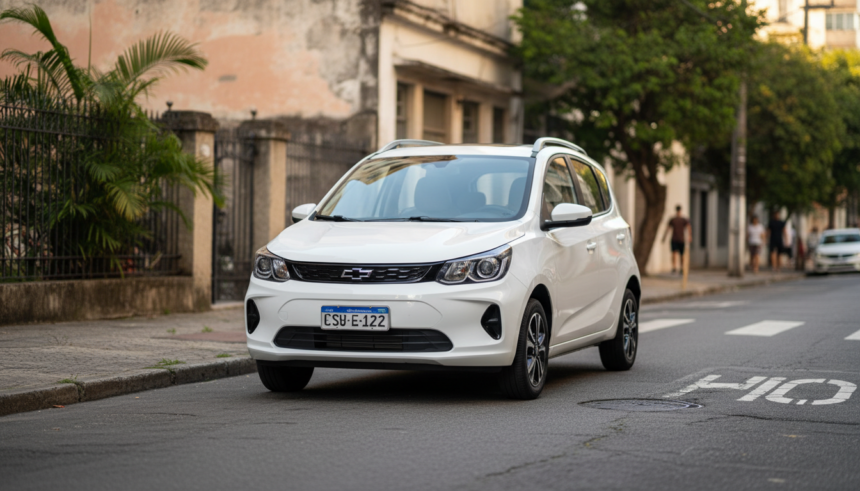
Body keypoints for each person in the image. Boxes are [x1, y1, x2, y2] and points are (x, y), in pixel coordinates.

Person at [662, 205, 691, 274]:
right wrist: (664, 237)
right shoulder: (673, 219)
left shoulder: (683, 219)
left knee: (681, 254)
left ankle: (681, 267)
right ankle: (674, 267)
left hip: (681, 239)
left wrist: (689, 236)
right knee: (674, 253)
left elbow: (688, 227)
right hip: (674, 239)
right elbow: (668, 228)